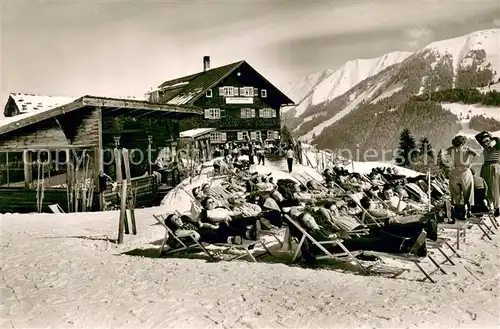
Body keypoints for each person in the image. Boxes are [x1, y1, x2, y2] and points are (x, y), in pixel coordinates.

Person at [446, 135, 479, 220]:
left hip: (455, 172)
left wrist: (448, 164)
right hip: (464, 172)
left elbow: (441, 154)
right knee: (467, 193)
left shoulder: (451, 149)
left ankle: (459, 212)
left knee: (456, 194)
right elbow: (477, 155)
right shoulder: (467, 148)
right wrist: (471, 164)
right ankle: (468, 211)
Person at [475, 131, 500, 216]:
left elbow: (498, 140)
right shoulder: (484, 146)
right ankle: (488, 205)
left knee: (494, 187)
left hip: (494, 166)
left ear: (490, 140)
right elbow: (477, 137)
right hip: (485, 167)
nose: (485, 143)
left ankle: (497, 207)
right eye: (484, 141)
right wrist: (485, 133)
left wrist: (492, 138)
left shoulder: (497, 146)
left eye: (487, 141)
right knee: (486, 187)